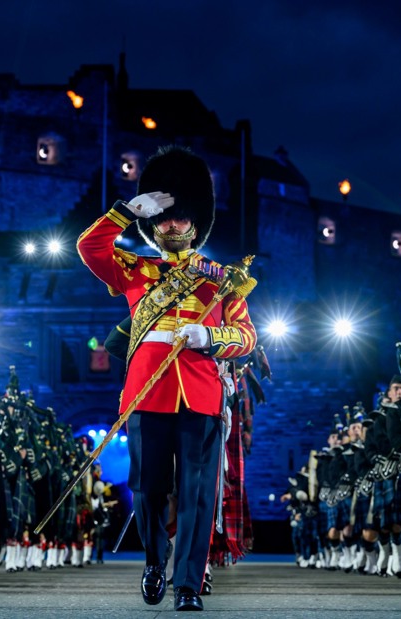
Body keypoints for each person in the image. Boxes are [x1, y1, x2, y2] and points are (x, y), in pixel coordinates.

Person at [77, 145, 257, 611]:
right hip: (146, 395)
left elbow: (246, 337)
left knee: (198, 496)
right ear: (152, 227)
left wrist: (210, 336)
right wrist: (126, 212)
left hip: (200, 397)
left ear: (196, 223)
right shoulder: (138, 271)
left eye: (180, 219)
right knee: (149, 489)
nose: (171, 225)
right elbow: (89, 248)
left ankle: (188, 584)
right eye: (163, 220)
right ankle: (155, 560)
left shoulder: (221, 281)